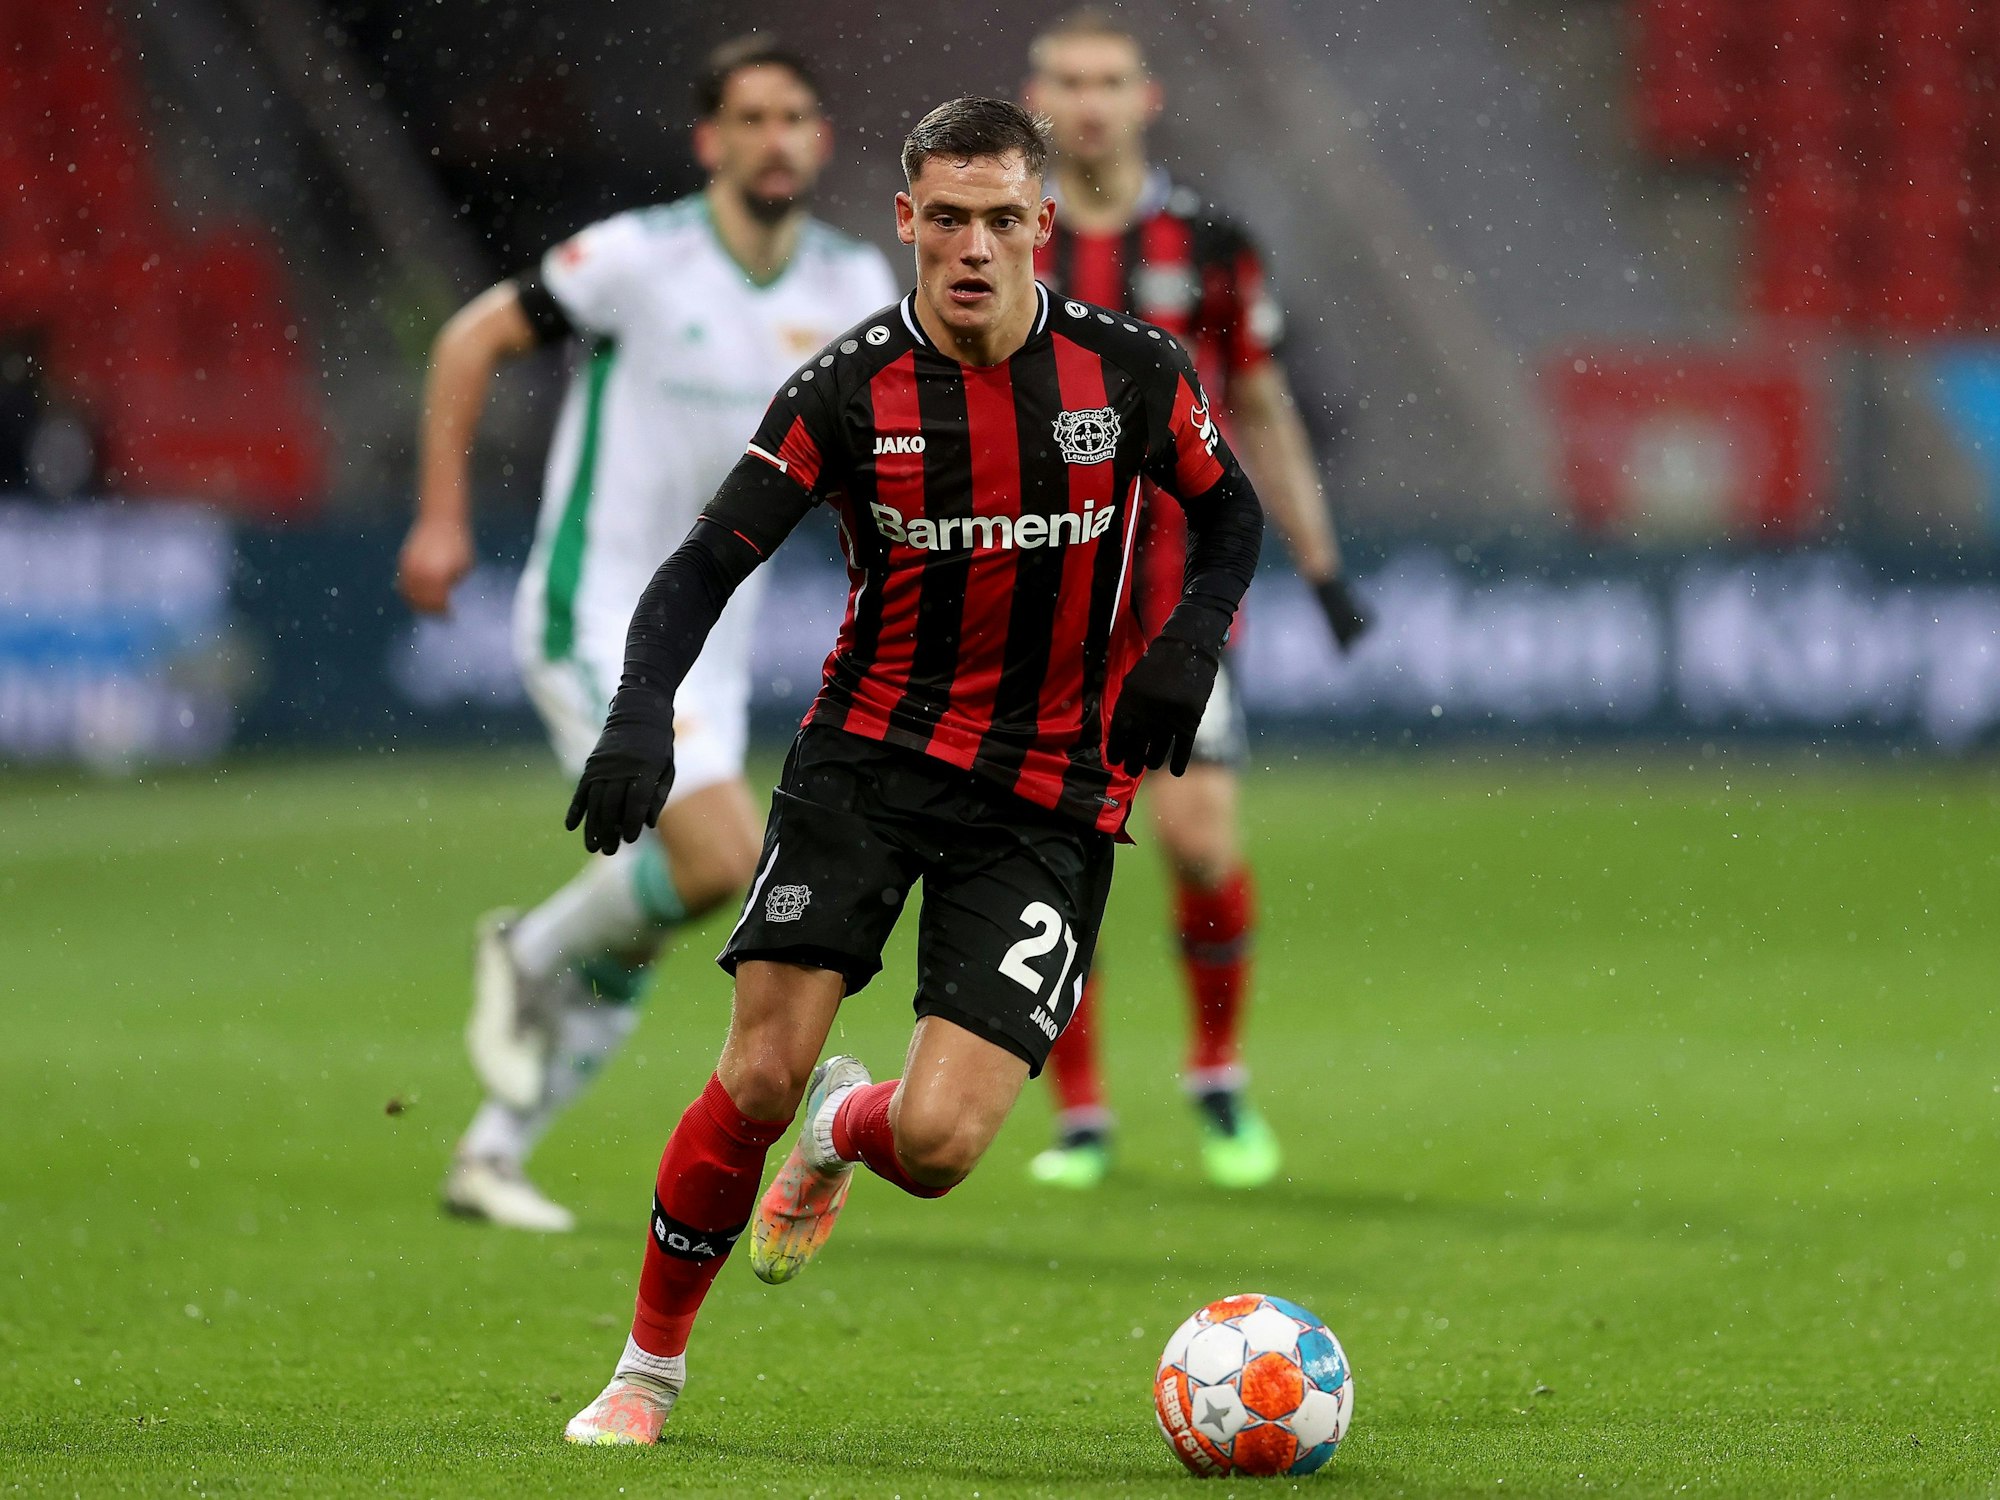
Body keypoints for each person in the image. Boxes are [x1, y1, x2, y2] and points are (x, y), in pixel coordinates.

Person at [559, 97, 1264, 1445]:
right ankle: (645, 1372)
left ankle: (845, 1130)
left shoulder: (1128, 369)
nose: (973, 247)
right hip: (869, 760)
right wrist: (641, 711)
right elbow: (706, 564)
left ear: (1041, 222)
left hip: (1051, 791)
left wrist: (1191, 634)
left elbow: (1230, 509)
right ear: (906, 221)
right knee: (757, 1074)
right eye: (946, 218)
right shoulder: (844, 388)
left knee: (937, 1149)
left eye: (1000, 219)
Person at [394, 37, 897, 1232]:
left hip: (711, 636)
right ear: (709, 140)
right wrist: (441, 517)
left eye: (792, 117)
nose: (772, 138)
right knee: (721, 861)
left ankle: (492, 1150)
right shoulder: (635, 257)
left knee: (656, 899)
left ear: (818, 140)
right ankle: (531, 950)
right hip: (599, 609)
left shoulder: (850, 282)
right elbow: (471, 337)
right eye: (749, 118)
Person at [1020, 11, 1371, 1192]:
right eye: (1068, 82)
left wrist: (1320, 566)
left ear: (1145, 98)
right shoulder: (1005, 242)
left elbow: (1259, 407)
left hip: (1178, 605)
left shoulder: (1209, 244)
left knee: (1198, 839)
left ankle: (1216, 1074)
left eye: (1107, 81)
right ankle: (1080, 1114)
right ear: (1037, 98)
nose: (1088, 102)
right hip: (1038, 609)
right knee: (1059, 857)